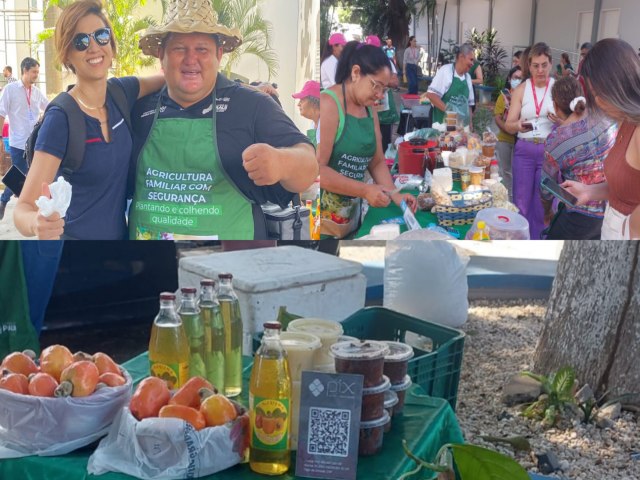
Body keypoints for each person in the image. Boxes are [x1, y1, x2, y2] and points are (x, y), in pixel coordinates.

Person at [130, 0, 317, 240]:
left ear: (219, 54)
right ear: (161, 55)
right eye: (179, 48)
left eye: (202, 49)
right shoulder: (138, 107)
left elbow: (309, 165)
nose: (191, 59)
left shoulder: (252, 104)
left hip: (229, 262)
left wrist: (282, 162)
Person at [13, 0, 165, 240]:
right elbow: (23, 209)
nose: (94, 47)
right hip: (76, 259)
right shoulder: (61, 118)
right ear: (67, 55)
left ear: (111, 45)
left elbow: (169, 78)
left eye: (101, 36)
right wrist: (37, 223)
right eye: (81, 41)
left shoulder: (121, 92)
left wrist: (236, 91)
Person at [318, 41, 416, 239]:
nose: (379, 96)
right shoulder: (329, 104)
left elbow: (377, 162)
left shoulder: (369, 109)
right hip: (323, 223)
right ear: (356, 73)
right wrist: (364, 190)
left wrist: (396, 196)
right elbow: (317, 171)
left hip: (350, 217)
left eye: (385, 89)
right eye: (376, 86)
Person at [562, 38, 640, 239]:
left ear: (617, 87)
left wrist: (630, 228)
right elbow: (626, 187)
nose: (596, 102)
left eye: (598, 93)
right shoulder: (626, 121)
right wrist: (589, 192)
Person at [541, 76, 616, 239]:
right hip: (613, 211)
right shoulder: (606, 116)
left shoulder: (555, 140)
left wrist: (547, 211)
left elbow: (546, 187)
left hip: (578, 218)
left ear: (555, 105)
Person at [504, 42, 555, 240]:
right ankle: (521, 246)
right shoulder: (521, 89)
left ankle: (539, 245)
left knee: (544, 205)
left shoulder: (558, 88)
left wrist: (560, 121)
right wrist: (517, 126)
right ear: (529, 66)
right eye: (535, 65)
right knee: (521, 204)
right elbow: (508, 124)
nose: (540, 70)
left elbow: (573, 120)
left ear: (551, 64)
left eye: (544, 65)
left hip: (549, 151)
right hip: (524, 151)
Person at [0, 57, 48, 221]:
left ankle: (21, 204)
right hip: (18, 142)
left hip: (34, 143)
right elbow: (1, 114)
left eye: (37, 72)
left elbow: (49, 108)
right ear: (25, 71)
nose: (36, 75)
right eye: (34, 72)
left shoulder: (36, 92)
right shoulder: (10, 90)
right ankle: (6, 201)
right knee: (21, 174)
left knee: (29, 176)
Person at [426, 43, 475, 128]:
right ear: (461, 57)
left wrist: (469, 124)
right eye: (471, 59)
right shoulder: (446, 71)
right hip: (442, 125)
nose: (472, 63)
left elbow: (469, 105)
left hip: (460, 129)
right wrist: (450, 111)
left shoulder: (468, 78)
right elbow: (431, 95)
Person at [366, 35, 400, 152]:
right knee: (368, 139)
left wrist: (381, 83)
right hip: (367, 105)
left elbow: (395, 82)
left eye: (374, 48)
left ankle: (384, 162)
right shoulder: (361, 62)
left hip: (384, 106)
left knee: (384, 141)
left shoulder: (387, 62)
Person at [493, 66, 522, 198]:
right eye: (515, 78)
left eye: (521, 78)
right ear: (510, 79)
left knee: (517, 172)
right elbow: (498, 118)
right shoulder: (504, 96)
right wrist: (509, 129)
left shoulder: (525, 98)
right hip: (505, 140)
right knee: (505, 171)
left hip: (520, 141)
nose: (518, 80)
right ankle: (505, 197)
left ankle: (515, 198)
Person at [292, 80, 320, 147]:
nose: (298, 104)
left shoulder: (324, 123)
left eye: (302, 100)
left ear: (314, 103)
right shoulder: (314, 123)